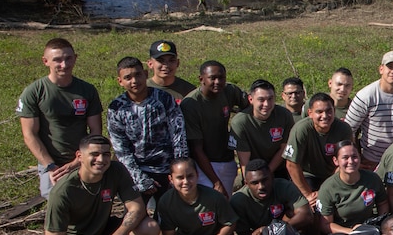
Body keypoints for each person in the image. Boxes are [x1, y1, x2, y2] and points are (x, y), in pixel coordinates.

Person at [42, 135, 161, 235]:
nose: (101, 159)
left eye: (106, 154)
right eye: (95, 154)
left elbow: (137, 207)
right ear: (79, 157)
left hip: (102, 233)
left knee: (150, 227)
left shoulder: (115, 170)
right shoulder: (63, 191)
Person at [18, 38, 103, 197]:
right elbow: (29, 134)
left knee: (90, 198)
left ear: (75, 58)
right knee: (55, 198)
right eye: (57, 60)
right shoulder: (34, 92)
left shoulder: (87, 90)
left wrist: (79, 161)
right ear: (45, 61)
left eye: (68, 58)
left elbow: (96, 131)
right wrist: (50, 166)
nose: (64, 64)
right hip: (51, 162)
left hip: (83, 159)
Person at [107, 57, 188, 201]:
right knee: (136, 216)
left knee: (167, 215)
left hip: (166, 169)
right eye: (128, 77)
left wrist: (177, 173)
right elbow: (121, 149)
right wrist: (139, 178)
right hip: (135, 171)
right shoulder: (116, 108)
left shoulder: (164, 99)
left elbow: (178, 137)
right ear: (120, 81)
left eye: (138, 74)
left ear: (145, 74)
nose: (134, 81)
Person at [157, 157, 239, 235]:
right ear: (171, 179)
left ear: (197, 175)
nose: (186, 182)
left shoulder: (214, 197)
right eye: (180, 178)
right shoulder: (166, 202)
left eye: (190, 176)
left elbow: (230, 223)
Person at [180, 60, 249, 197]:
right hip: (205, 164)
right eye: (212, 78)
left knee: (226, 202)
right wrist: (216, 182)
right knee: (210, 203)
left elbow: (251, 106)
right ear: (202, 79)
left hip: (227, 159)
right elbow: (196, 148)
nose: (217, 82)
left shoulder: (229, 91)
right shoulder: (191, 104)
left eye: (221, 78)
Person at [344, 50, 393, 169]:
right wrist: (355, 157)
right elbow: (348, 130)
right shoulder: (365, 96)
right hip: (370, 160)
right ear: (381, 69)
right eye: (389, 67)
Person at [283, 93, 354, 206]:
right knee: (308, 208)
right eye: (319, 112)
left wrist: (328, 188)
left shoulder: (344, 129)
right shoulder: (301, 129)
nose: (325, 116)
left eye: (329, 111)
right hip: (308, 175)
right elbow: (291, 164)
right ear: (310, 113)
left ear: (334, 111)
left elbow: (346, 160)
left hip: (335, 175)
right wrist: (308, 195)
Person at [229, 158, 314, 235]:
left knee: (301, 214)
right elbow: (244, 234)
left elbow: (306, 215)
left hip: (285, 232)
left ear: (272, 177)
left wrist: (272, 230)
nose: (261, 187)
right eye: (255, 183)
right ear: (246, 184)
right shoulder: (238, 200)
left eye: (265, 180)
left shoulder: (284, 186)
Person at [318, 141, 390, 235]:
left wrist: (381, 225)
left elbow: (382, 203)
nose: (351, 161)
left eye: (354, 157)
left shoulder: (372, 179)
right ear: (336, 161)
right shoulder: (328, 188)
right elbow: (326, 224)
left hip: (371, 230)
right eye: (345, 158)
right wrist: (352, 232)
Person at [229, 79, 296, 180]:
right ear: (251, 99)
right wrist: (249, 179)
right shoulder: (240, 122)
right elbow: (244, 160)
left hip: (279, 167)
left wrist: (268, 171)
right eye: (261, 100)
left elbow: (284, 148)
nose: (266, 104)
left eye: (270, 99)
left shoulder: (284, 115)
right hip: (253, 170)